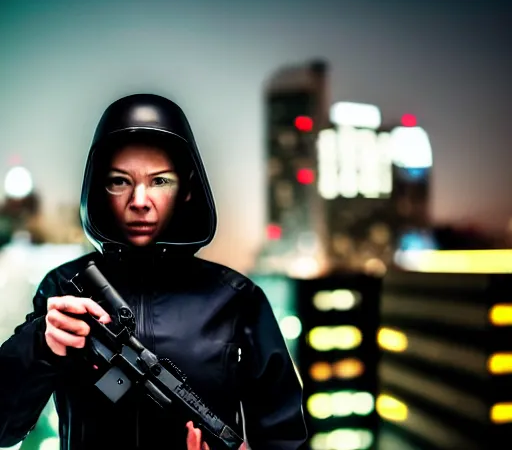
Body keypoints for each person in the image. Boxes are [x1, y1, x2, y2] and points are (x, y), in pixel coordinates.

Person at [0, 94, 308, 450]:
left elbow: (285, 439)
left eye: (160, 181)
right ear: (100, 189)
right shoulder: (65, 290)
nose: (140, 201)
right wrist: (41, 343)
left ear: (187, 189)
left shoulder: (237, 299)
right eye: (120, 181)